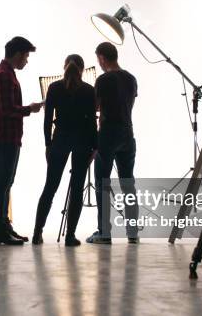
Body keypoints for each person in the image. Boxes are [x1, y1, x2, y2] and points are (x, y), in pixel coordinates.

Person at [32, 54, 97, 246]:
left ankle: (37, 233)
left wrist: (47, 144)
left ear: (64, 67)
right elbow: (92, 121)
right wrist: (95, 146)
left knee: (50, 187)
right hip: (82, 141)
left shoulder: (54, 88)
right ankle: (70, 235)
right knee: (77, 189)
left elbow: (47, 120)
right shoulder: (88, 90)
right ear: (82, 69)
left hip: (59, 140)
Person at [0, 36, 43, 245]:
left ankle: (3, 225)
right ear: (17, 54)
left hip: (8, 136)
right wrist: (30, 109)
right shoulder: (4, 76)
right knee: (3, 183)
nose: (26, 61)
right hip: (6, 136)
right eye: (26, 56)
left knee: (6, 182)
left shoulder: (6, 73)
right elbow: (6, 110)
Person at [86, 42, 140, 244]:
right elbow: (128, 104)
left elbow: (94, 107)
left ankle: (104, 232)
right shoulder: (131, 79)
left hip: (108, 133)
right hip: (128, 132)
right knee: (128, 183)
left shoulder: (103, 79)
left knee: (102, 183)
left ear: (101, 58)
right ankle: (132, 232)